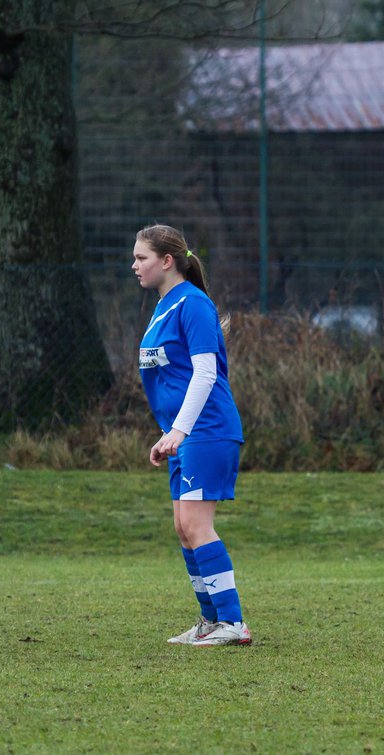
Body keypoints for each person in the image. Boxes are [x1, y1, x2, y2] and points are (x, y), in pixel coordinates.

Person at [133, 224, 251, 647]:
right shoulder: (166, 305)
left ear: (167, 261)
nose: (135, 266)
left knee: (198, 526)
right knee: (185, 528)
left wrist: (180, 430)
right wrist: (170, 433)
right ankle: (210, 620)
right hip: (184, 434)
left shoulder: (194, 305)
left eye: (141, 258)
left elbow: (205, 372)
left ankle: (233, 624)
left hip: (207, 430)